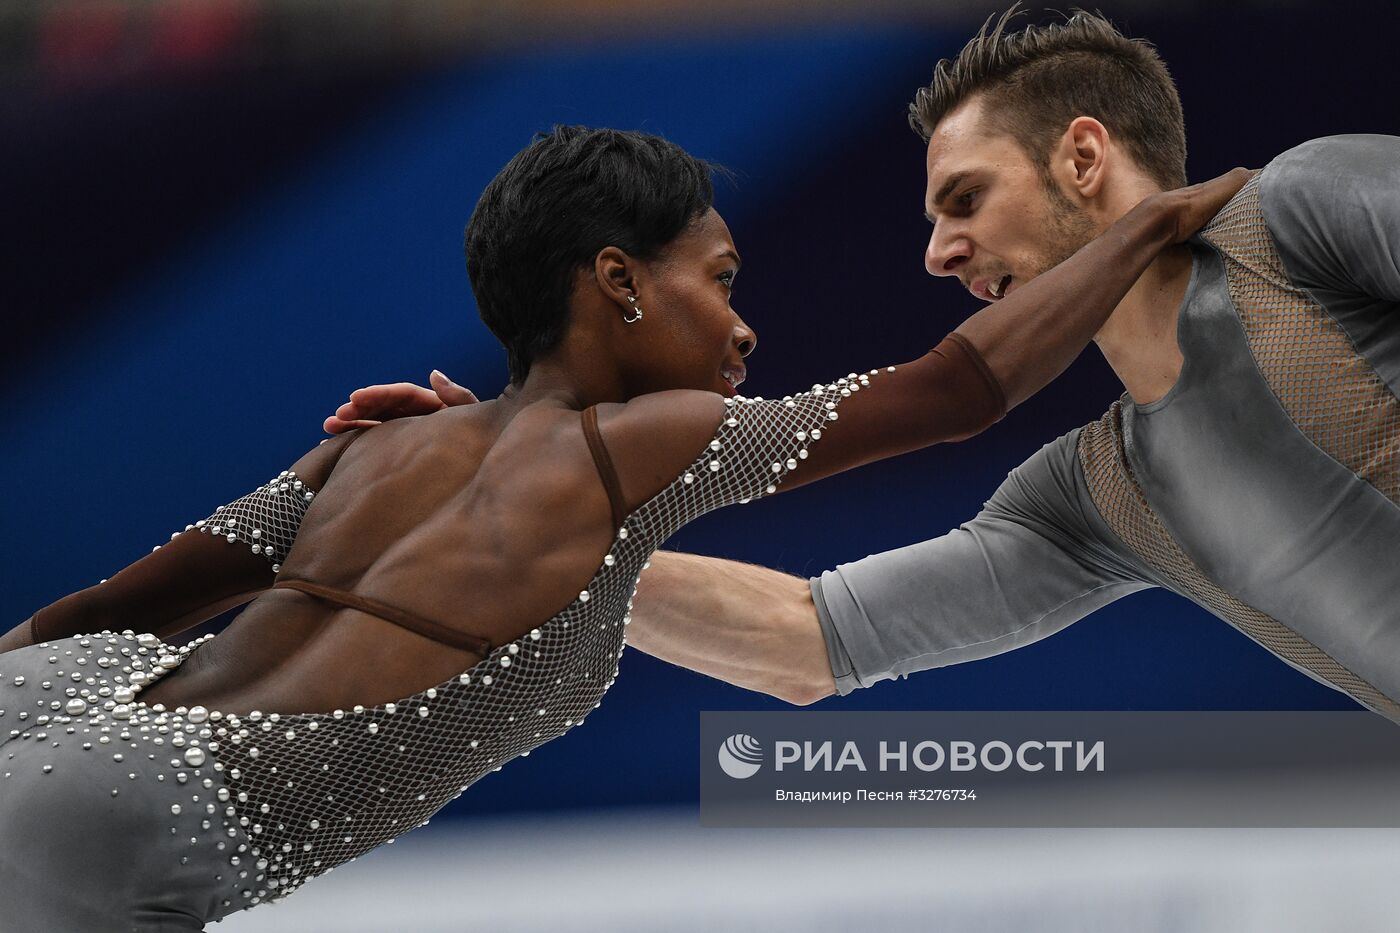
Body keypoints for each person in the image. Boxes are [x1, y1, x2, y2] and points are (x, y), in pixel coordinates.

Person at [0, 123, 1239, 930]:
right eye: (721, 279)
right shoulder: (643, 444)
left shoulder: (374, 448)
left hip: (64, 708)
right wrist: (1137, 230)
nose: (742, 327)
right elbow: (949, 390)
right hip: (144, 808)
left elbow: (109, 610)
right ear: (617, 283)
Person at [338, 10, 1400, 722]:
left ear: (1082, 159)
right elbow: (801, 641)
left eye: (965, 199)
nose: (937, 254)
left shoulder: (1293, 212)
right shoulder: (1099, 498)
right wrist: (520, 522)